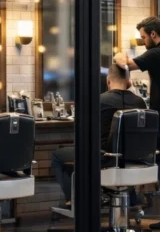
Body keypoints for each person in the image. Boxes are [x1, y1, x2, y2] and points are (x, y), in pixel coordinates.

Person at [114, 16, 160, 231]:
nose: (143, 41)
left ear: (154, 34)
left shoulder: (157, 52)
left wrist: (118, 53)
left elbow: (124, 64)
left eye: (144, 37)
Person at [51, 63, 146, 204]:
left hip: (103, 157)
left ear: (108, 81)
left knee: (58, 156)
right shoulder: (140, 102)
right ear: (129, 82)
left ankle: (74, 201)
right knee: (120, 154)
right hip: (133, 159)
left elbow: (84, 129)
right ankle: (128, 197)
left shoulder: (99, 101)